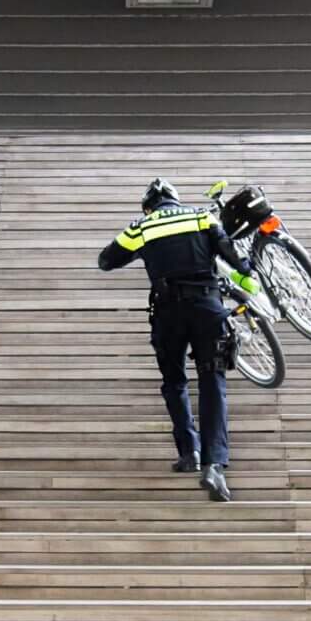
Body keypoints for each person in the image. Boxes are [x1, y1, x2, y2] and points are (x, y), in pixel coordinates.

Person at [98, 177, 251, 501]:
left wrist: (142, 247)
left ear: (148, 205)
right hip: (208, 308)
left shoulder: (141, 226)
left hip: (168, 314)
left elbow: (106, 261)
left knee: (175, 381)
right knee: (212, 381)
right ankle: (214, 466)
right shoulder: (199, 216)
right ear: (175, 201)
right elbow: (229, 250)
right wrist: (246, 271)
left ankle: (189, 453)